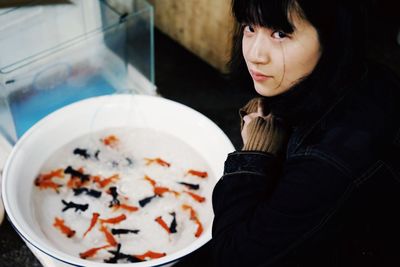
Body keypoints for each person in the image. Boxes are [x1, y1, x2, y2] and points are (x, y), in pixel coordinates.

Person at [211, 0, 400, 266]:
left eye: (280, 34)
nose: (255, 54)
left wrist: (254, 154)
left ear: (331, 37)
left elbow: (231, 256)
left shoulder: (328, 163)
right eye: (250, 27)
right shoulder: (363, 73)